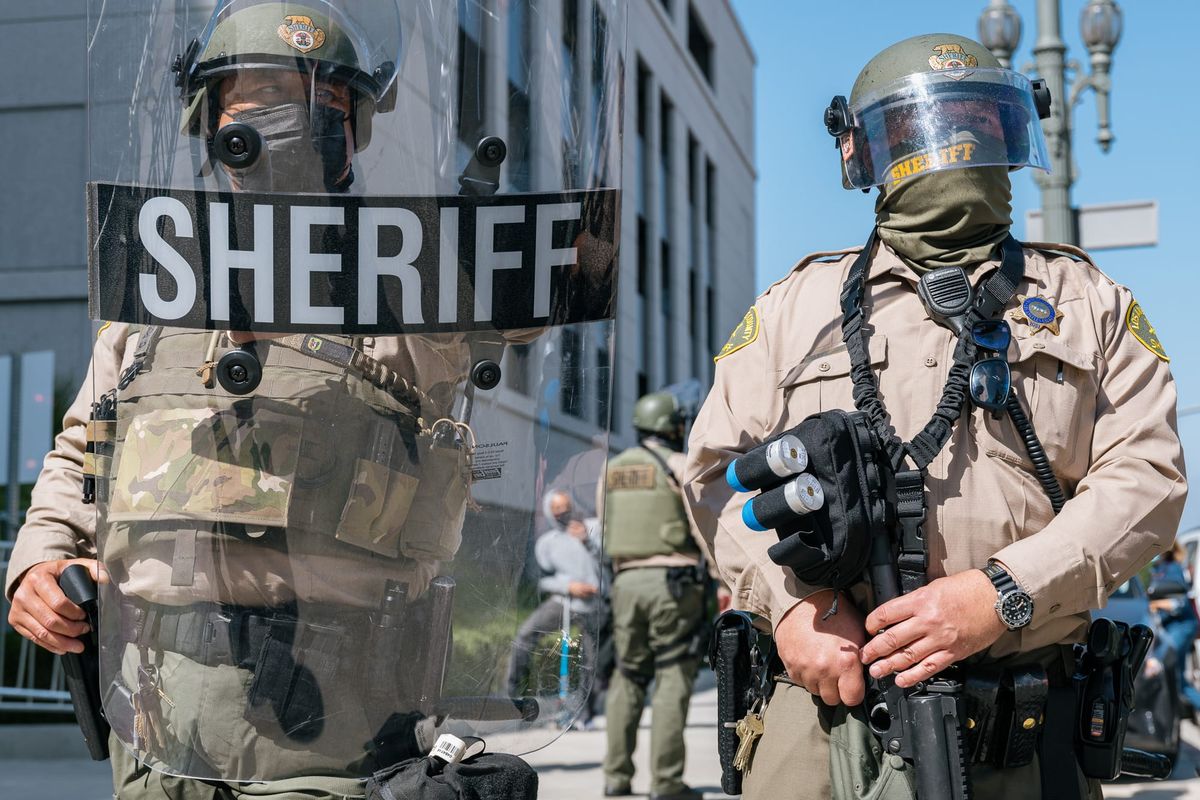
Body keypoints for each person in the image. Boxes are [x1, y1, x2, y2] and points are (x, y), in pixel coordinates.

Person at [6, 1, 623, 797]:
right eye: (256, 97)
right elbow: (81, 451)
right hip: (154, 721)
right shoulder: (156, 291)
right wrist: (38, 563)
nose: (289, 122)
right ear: (211, 118)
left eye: (322, 105)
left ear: (356, 129)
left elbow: (535, 295)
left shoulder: (407, 278)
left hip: (334, 729)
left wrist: (546, 251)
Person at [684, 32, 1186, 800]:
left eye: (982, 123)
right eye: (927, 128)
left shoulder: (1091, 303)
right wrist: (793, 609)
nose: (957, 145)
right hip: (826, 718)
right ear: (868, 150)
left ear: (1013, 135)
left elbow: (1146, 477)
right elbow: (714, 477)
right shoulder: (796, 308)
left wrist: (1002, 593)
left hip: (1024, 720)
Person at [601, 391, 717, 800]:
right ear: (672, 426)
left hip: (625, 582)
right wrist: (723, 580)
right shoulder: (678, 466)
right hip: (673, 583)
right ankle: (666, 783)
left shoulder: (611, 470)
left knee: (628, 675)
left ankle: (616, 777)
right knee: (672, 674)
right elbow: (705, 530)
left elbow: (603, 528)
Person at [505, 488, 602, 727]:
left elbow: (606, 562)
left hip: (592, 606)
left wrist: (587, 541)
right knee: (525, 636)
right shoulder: (546, 543)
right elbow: (542, 578)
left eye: (566, 507)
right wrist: (568, 585)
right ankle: (512, 699)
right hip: (563, 601)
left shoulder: (593, 528)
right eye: (556, 509)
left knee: (591, 658)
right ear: (549, 513)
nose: (562, 513)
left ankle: (584, 713)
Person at [1149, 543, 1200, 710]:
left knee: (1169, 673)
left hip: (1181, 627)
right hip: (1172, 627)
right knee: (1177, 676)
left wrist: (1157, 604)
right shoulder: (1158, 568)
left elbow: (1179, 602)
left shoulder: (1173, 569)